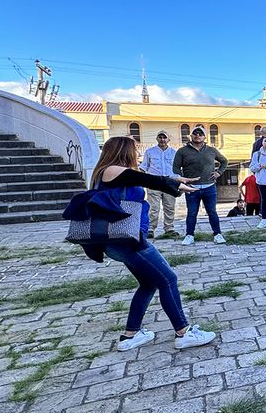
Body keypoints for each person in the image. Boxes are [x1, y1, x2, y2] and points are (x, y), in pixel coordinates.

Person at [87, 136, 215, 351]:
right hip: (126, 240)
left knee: (148, 283)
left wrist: (176, 183)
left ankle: (131, 335)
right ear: (122, 151)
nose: (137, 153)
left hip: (120, 240)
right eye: (134, 149)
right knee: (168, 279)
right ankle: (183, 332)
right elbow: (149, 180)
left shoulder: (110, 172)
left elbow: (147, 179)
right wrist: (177, 184)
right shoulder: (112, 170)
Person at [173, 127, 229, 245]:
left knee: (212, 212)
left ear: (205, 137)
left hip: (209, 187)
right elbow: (176, 168)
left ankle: (217, 234)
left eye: (200, 134)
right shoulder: (182, 151)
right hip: (192, 188)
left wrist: (218, 172)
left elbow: (224, 161)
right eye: (195, 133)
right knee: (192, 213)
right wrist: (183, 180)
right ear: (191, 136)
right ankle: (189, 235)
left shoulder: (211, 150)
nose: (198, 135)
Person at [138, 131, 179, 238]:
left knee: (169, 207)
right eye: (160, 137)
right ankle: (150, 229)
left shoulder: (173, 153)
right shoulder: (150, 152)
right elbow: (143, 167)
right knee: (153, 207)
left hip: (169, 182)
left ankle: (169, 228)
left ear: (168, 139)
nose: (162, 139)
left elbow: (177, 170)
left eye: (164, 137)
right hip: (154, 182)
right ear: (157, 139)